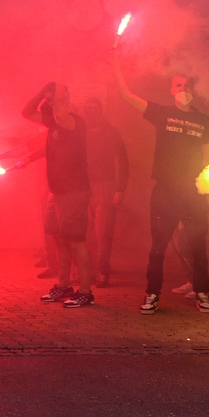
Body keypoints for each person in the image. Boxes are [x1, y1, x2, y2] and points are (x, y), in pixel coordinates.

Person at [109, 52, 209, 315]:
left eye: (188, 85)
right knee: (158, 247)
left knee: (198, 245)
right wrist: (115, 63)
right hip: (165, 191)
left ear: (194, 90)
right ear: (172, 90)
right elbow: (126, 96)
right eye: (179, 85)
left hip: (193, 192)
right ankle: (152, 294)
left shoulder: (204, 121)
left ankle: (203, 293)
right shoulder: (161, 113)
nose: (184, 90)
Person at [23, 83, 95, 308]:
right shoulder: (54, 121)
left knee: (77, 241)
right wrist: (42, 92)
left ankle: (85, 291)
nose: (54, 99)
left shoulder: (72, 121)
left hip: (75, 192)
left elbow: (60, 112)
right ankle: (64, 285)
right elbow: (26, 112)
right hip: (57, 191)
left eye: (59, 96)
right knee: (59, 238)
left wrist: (58, 96)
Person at [82, 98, 129, 288]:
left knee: (103, 233)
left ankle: (102, 272)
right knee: (84, 232)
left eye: (94, 109)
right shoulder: (81, 132)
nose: (90, 113)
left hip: (105, 186)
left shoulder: (111, 132)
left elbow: (123, 161)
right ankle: (86, 270)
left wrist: (120, 189)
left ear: (101, 111)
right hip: (83, 187)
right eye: (87, 110)